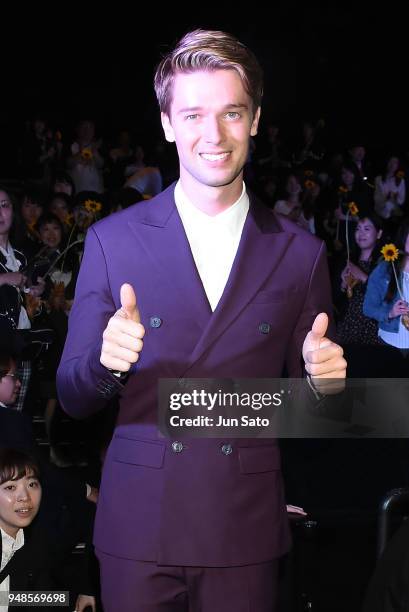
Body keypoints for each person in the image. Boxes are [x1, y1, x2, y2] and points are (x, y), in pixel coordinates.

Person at [57, 29, 346, 612]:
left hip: (243, 527)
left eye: (231, 113)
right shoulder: (113, 241)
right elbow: (71, 395)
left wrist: (329, 387)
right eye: (192, 115)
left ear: (255, 120)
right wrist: (105, 362)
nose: (212, 136)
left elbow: (320, 412)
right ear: (166, 123)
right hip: (140, 526)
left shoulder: (300, 251)